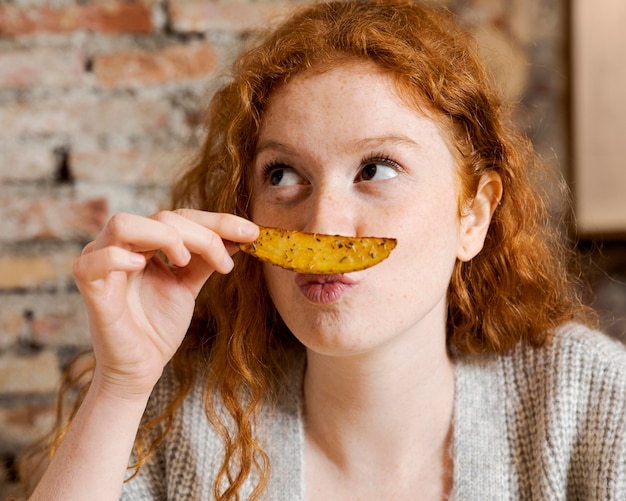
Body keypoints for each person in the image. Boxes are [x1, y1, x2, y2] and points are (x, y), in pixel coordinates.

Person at [23, 0, 626, 499]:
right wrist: (120, 385)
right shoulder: (182, 419)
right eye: (282, 175)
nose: (322, 221)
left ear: (472, 215)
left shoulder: (587, 402)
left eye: (376, 169)